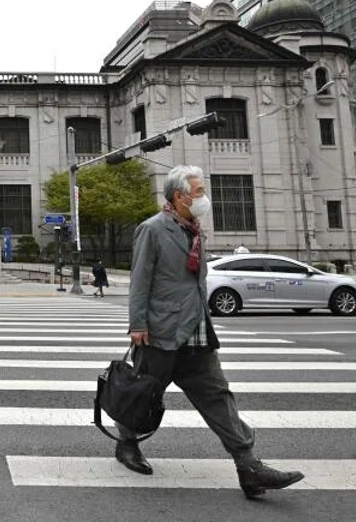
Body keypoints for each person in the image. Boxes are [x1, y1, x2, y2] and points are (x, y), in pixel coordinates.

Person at [117, 165, 304, 499]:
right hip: (161, 332)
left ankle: (249, 467)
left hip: (197, 330)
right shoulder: (152, 230)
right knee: (141, 395)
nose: (204, 197)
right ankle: (127, 444)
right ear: (179, 196)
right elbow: (140, 280)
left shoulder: (195, 230)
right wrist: (138, 324)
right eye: (199, 191)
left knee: (218, 396)